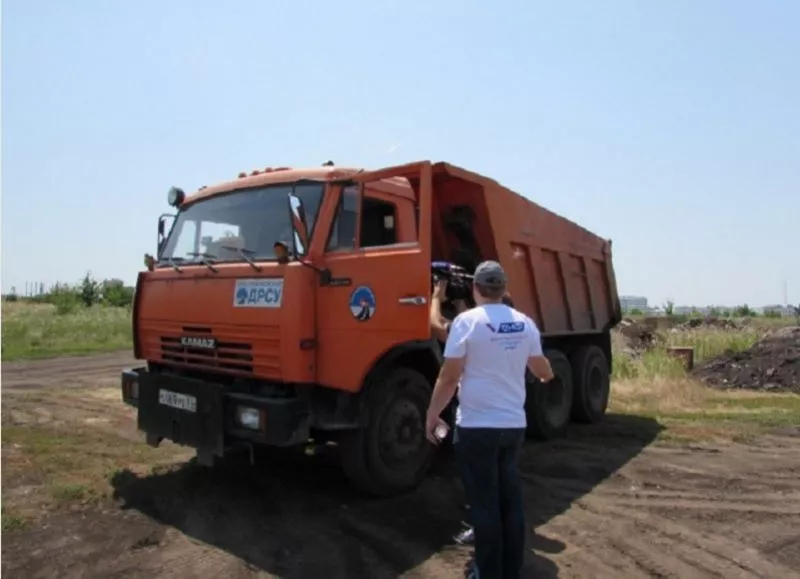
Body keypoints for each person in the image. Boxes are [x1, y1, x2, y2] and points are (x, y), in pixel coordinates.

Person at [426, 260, 554, 579]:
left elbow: (448, 376)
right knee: (509, 498)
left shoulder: (467, 322)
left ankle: (486, 571)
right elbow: (543, 371)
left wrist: (432, 414)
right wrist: (539, 372)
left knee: (483, 503)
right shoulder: (525, 323)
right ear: (503, 289)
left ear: (475, 289)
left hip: (476, 427)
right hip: (512, 427)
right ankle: (510, 569)